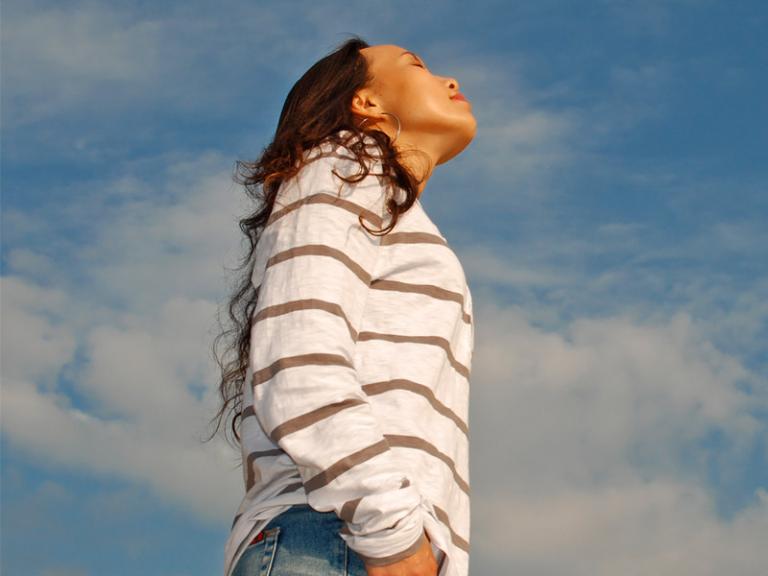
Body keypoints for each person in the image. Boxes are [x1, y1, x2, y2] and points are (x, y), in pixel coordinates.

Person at [209, 35, 477, 576]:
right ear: (366, 103)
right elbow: (300, 362)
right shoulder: (343, 165)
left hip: (353, 540)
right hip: (337, 540)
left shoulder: (378, 199)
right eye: (417, 66)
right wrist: (395, 538)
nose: (451, 81)